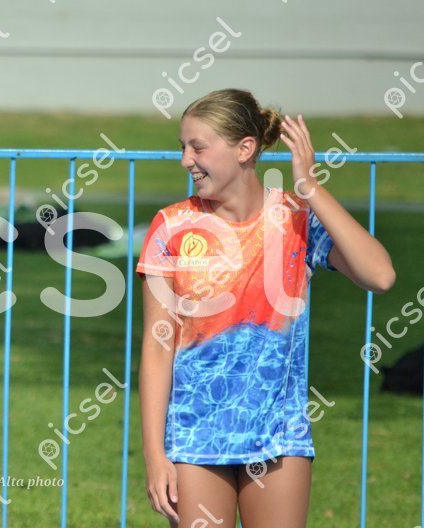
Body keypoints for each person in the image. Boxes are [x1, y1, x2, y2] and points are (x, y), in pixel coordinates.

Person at [136, 88, 395, 527]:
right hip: (195, 438)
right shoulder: (171, 228)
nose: (185, 160)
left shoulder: (295, 218)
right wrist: (154, 455)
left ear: (244, 149)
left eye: (197, 147)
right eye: (182, 147)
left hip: (280, 439)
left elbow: (380, 275)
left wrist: (310, 189)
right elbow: (157, 347)